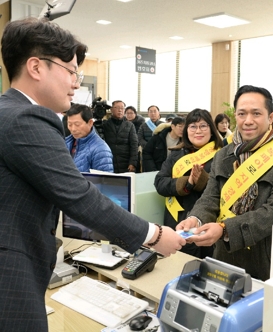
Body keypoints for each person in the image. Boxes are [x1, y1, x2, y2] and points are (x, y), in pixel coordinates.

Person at [0, 17, 185, 331]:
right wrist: (152, 236)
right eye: (71, 71)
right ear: (36, 67)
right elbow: (78, 195)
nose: (76, 82)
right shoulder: (27, 117)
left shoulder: (7, 111)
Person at [177, 85, 273, 281]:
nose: (248, 121)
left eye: (256, 113)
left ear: (270, 117)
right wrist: (196, 218)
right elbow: (211, 197)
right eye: (242, 114)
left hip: (265, 260)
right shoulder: (224, 154)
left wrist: (224, 229)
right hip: (224, 255)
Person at [154, 109, 223, 258]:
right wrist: (187, 182)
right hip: (177, 221)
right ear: (186, 131)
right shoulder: (176, 154)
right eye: (193, 126)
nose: (198, 131)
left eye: (203, 126)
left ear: (211, 129)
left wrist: (202, 181)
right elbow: (160, 183)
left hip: (207, 224)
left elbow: (223, 189)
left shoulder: (222, 155)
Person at [65, 103, 114, 172]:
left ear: (90, 123)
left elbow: (105, 181)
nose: (73, 129)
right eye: (69, 124)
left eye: (77, 124)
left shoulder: (101, 149)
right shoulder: (65, 143)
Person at [102, 100, 139, 173]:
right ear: (111, 109)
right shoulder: (105, 124)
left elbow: (134, 145)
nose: (120, 110)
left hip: (125, 162)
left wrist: (133, 163)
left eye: (122, 108)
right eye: (117, 108)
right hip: (109, 161)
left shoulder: (130, 125)